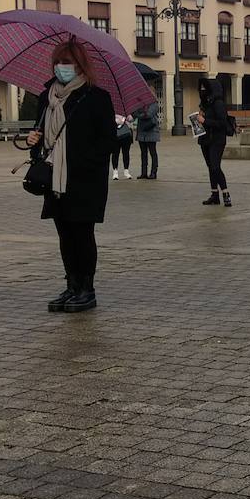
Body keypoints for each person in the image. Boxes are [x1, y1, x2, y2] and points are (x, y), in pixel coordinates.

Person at [25, 39, 114, 314]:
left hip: (84, 179)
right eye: (58, 62)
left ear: (80, 65)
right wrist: (33, 140)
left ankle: (87, 290)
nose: (62, 67)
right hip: (54, 178)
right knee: (64, 233)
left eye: (67, 62)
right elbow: (42, 136)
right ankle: (72, 285)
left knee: (82, 234)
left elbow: (109, 141)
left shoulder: (96, 97)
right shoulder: (46, 96)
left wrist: (82, 159)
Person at [195, 78, 231, 207]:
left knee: (215, 166)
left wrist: (205, 121)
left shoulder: (218, 103)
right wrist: (198, 120)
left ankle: (225, 193)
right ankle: (214, 194)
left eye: (205, 88)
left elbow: (222, 123)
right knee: (210, 166)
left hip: (217, 139)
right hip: (205, 139)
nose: (203, 90)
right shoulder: (205, 103)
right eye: (201, 88)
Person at [133, 98, 161, 179]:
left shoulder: (154, 104)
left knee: (152, 152)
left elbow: (149, 114)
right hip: (142, 131)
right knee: (143, 153)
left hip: (151, 131)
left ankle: (153, 172)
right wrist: (140, 113)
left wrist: (140, 114)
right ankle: (143, 173)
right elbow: (135, 113)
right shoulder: (140, 104)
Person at [110, 113, 134, 181]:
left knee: (126, 153)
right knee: (115, 154)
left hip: (126, 135)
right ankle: (115, 172)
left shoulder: (126, 110)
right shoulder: (112, 111)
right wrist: (120, 120)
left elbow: (131, 120)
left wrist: (128, 118)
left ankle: (126, 171)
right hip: (115, 135)